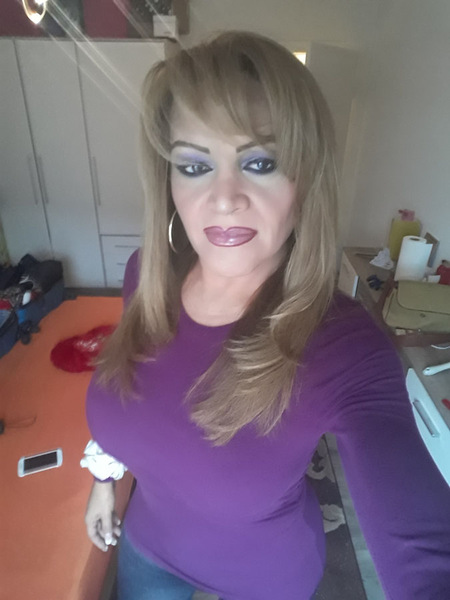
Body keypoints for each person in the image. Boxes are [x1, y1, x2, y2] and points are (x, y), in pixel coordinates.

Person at [83, 31, 450, 600]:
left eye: (260, 162)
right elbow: (131, 395)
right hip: (149, 552)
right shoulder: (145, 278)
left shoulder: (343, 346)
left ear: (306, 181)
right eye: (194, 165)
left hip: (265, 579)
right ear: (168, 181)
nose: (224, 198)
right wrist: (104, 483)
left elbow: (425, 553)